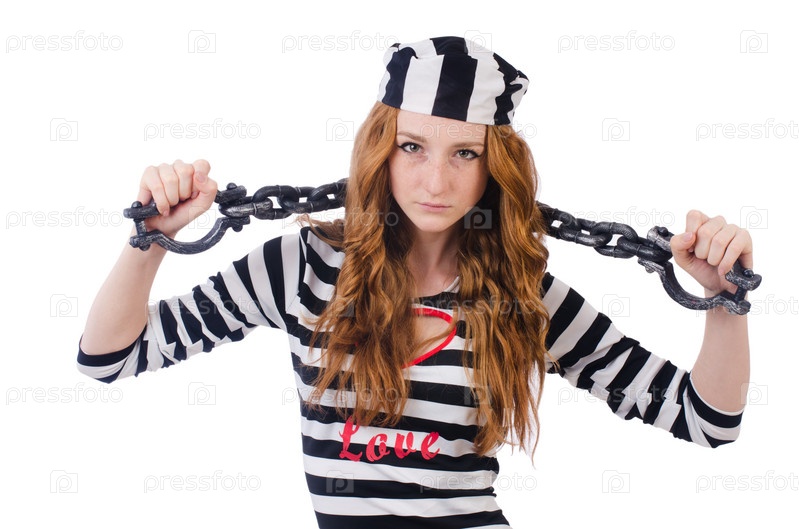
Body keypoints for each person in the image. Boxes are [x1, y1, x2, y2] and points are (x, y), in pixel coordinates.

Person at [78, 36, 753, 528]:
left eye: (465, 153)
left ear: (493, 168)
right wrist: (150, 238)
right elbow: (108, 356)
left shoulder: (522, 296)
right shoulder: (303, 268)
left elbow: (706, 419)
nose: (436, 180)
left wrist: (723, 300)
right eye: (412, 147)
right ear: (382, 150)